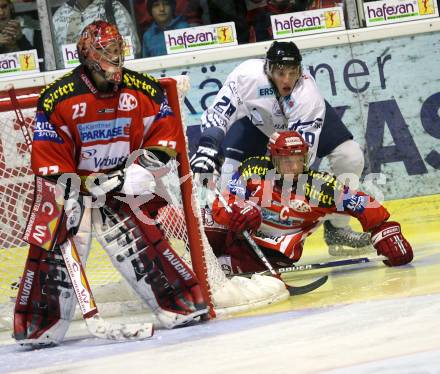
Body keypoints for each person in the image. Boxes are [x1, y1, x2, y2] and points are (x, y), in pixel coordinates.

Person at [13, 20, 208, 347]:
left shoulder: (144, 89)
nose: (114, 70)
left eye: (117, 57)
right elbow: (50, 165)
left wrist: (143, 168)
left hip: (119, 189)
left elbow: (166, 137)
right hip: (69, 193)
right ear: (88, 60)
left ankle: (180, 304)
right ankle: (37, 325)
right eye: (106, 62)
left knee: (145, 245)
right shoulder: (56, 99)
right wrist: (81, 188)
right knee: (50, 255)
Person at [190, 40, 371, 256]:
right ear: (268, 69)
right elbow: (219, 112)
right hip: (258, 123)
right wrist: (208, 147)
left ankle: (338, 229)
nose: (286, 80)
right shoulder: (246, 76)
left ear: (300, 71)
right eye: (280, 72)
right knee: (228, 175)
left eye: (292, 72)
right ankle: (232, 243)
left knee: (350, 156)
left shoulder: (307, 95)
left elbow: (300, 160)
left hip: (297, 134)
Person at [206, 131, 413, 274]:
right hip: (239, 233)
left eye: (299, 160)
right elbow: (226, 201)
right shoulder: (253, 168)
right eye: (286, 160)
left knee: (222, 269)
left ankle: (218, 266)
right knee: (201, 226)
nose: (294, 167)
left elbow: (362, 203)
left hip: (272, 252)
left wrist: (384, 229)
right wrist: (242, 209)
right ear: (273, 158)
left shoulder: (319, 187)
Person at [52, 0, 141, 68]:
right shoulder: (59, 16)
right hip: (73, 85)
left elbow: (132, 52)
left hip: (109, 80)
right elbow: (54, 63)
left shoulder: (113, 8)